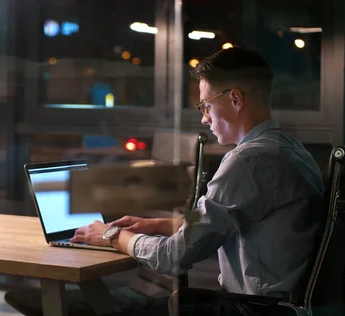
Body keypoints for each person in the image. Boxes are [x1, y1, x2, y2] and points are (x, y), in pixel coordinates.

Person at [70, 47, 325, 315]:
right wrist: (160, 225)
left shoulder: (247, 161)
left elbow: (173, 257)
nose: (204, 118)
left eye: (207, 105)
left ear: (235, 99)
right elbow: (237, 222)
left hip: (252, 309)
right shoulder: (292, 149)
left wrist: (112, 235)